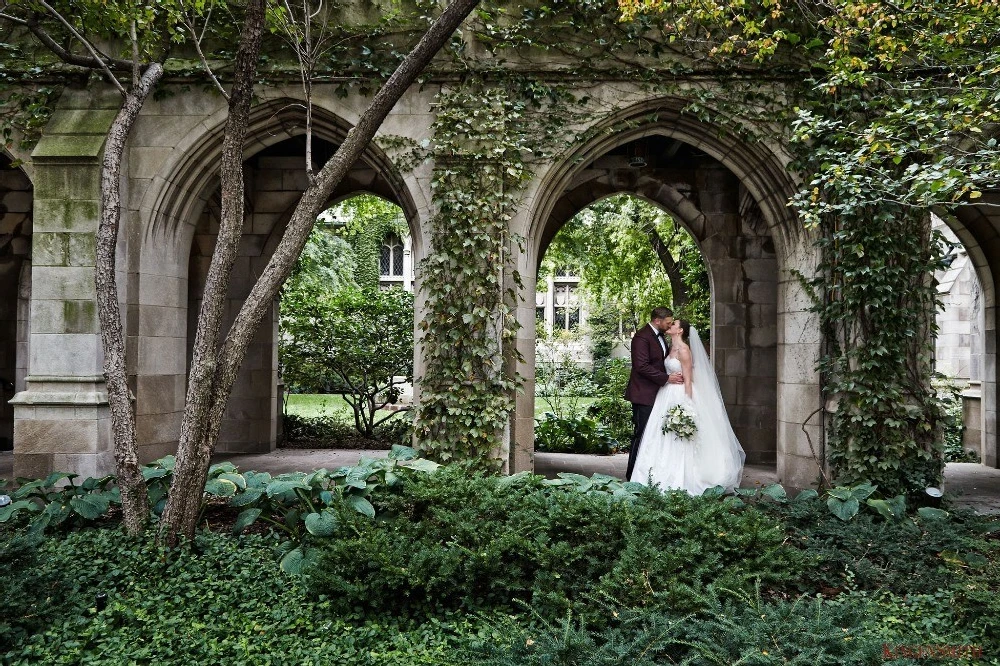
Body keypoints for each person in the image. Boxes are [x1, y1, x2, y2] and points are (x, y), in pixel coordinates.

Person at [629, 319, 746, 494]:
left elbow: (689, 381)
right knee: (657, 436)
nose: (670, 326)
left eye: (673, 324)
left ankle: (681, 479)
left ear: (680, 330)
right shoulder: (669, 348)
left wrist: (686, 406)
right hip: (665, 395)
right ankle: (650, 477)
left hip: (680, 395)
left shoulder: (684, 350)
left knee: (680, 440)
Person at [624, 307, 683, 481]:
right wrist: (666, 378)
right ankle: (631, 474)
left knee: (652, 435)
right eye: (668, 321)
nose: (670, 324)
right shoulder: (642, 337)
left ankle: (647, 473)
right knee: (641, 433)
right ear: (658, 320)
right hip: (643, 394)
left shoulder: (661, 336)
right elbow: (641, 366)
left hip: (658, 394)